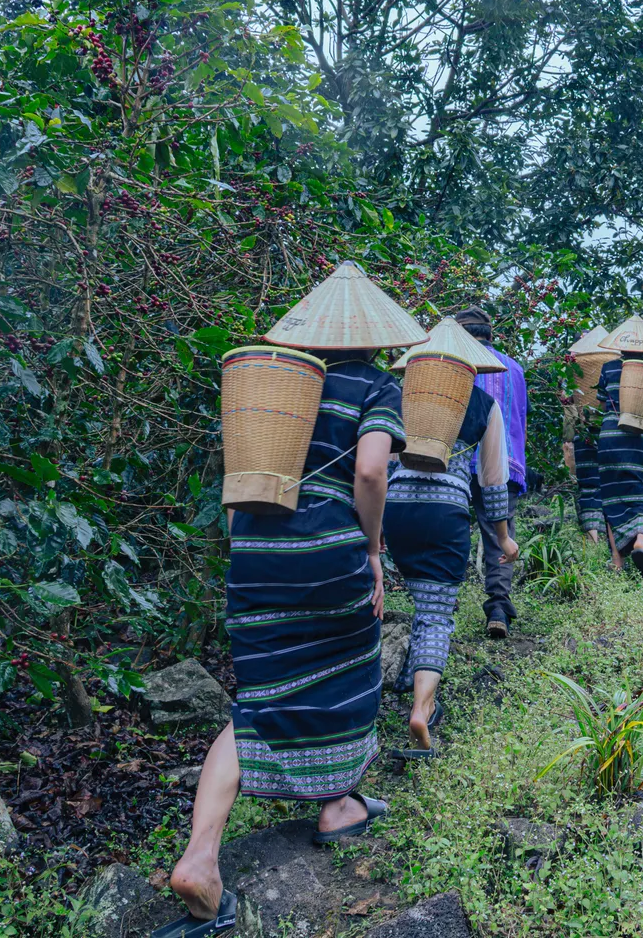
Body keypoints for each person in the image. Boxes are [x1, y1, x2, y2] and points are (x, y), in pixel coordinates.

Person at [156, 261, 426, 938]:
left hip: (256, 554)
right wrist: (370, 550)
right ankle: (337, 807)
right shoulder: (374, 385)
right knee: (351, 673)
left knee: (259, 700)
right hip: (328, 552)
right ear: (378, 340)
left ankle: (201, 857)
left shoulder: (275, 386)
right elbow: (369, 469)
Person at [384, 319, 520, 757]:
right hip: (447, 513)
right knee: (436, 612)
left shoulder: (402, 397)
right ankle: (422, 709)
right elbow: (493, 480)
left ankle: (397, 680)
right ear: (471, 367)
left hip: (397, 509)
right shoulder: (483, 404)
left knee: (414, 603)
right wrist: (502, 537)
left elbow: (382, 464)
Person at [453, 307, 527, 639]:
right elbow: (519, 421)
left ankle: (443, 602)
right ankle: (498, 607)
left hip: (457, 460)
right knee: (500, 535)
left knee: (451, 528)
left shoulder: (454, 366)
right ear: (489, 334)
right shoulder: (514, 368)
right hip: (504, 462)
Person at [595, 314, 643, 577]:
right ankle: (640, 542)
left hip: (610, 438)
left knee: (612, 497)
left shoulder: (609, 368)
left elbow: (602, 404)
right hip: (639, 438)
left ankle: (617, 560)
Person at [565, 325, 611, 543]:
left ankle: (594, 538)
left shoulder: (570, 369)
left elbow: (568, 409)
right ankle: (612, 538)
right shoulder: (610, 365)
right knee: (608, 484)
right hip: (609, 431)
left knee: (589, 485)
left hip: (583, 433)